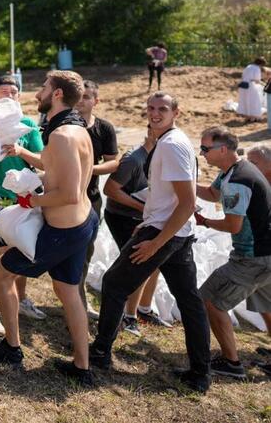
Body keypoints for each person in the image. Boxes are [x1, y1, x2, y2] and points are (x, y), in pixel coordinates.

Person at [0, 70, 98, 387]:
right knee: (67, 291)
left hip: (62, 230)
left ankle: (11, 348)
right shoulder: (76, 129)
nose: (38, 93)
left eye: (44, 87)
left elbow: (70, 193)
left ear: (57, 94)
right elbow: (55, 169)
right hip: (81, 223)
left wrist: (30, 201)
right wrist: (26, 161)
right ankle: (82, 367)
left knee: (1, 273)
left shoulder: (62, 136)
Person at [90, 92, 211, 394]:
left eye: (163, 109)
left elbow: (187, 202)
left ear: (176, 112)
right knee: (190, 302)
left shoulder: (171, 146)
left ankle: (100, 354)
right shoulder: (169, 141)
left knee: (114, 284)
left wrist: (155, 241)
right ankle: (200, 373)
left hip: (167, 233)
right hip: (172, 231)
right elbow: (169, 199)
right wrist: (147, 223)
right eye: (151, 108)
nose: (155, 114)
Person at [0, 75, 46, 338]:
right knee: (7, 253)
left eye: (14, 92)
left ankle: (21, 298)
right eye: (4, 92)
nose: (9, 96)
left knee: (24, 247)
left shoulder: (27, 125)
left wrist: (20, 151)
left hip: (25, 195)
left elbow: (43, 162)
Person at [195, 127, 271, 379]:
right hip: (265, 253)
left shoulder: (238, 181)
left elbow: (232, 225)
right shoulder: (232, 171)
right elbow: (211, 193)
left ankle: (232, 363)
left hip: (253, 257)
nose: (202, 153)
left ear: (223, 149)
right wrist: (183, 183)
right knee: (266, 304)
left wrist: (204, 221)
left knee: (211, 301)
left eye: (205, 149)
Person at [102, 125, 171, 337]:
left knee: (156, 262)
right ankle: (129, 316)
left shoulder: (164, 157)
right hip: (123, 217)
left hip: (147, 217)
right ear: (151, 132)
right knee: (140, 263)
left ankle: (143, 309)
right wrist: (142, 207)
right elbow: (110, 190)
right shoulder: (134, 159)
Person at [74, 80, 119, 318]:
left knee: (85, 252)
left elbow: (113, 161)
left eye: (87, 97)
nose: (82, 101)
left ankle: (78, 300)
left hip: (90, 199)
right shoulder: (62, 124)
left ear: (96, 101)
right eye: (78, 96)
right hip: (64, 198)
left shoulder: (104, 128)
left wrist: (89, 169)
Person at [242, 145, 271, 375]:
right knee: (264, 302)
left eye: (254, 162)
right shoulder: (257, 183)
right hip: (260, 252)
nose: (249, 166)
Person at [237, 57, 266, 122]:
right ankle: (253, 117)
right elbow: (257, 80)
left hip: (243, 85)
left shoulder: (249, 66)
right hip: (250, 86)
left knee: (245, 101)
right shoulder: (257, 68)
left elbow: (244, 76)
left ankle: (248, 117)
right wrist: (264, 84)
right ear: (261, 64)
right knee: (254, 101)